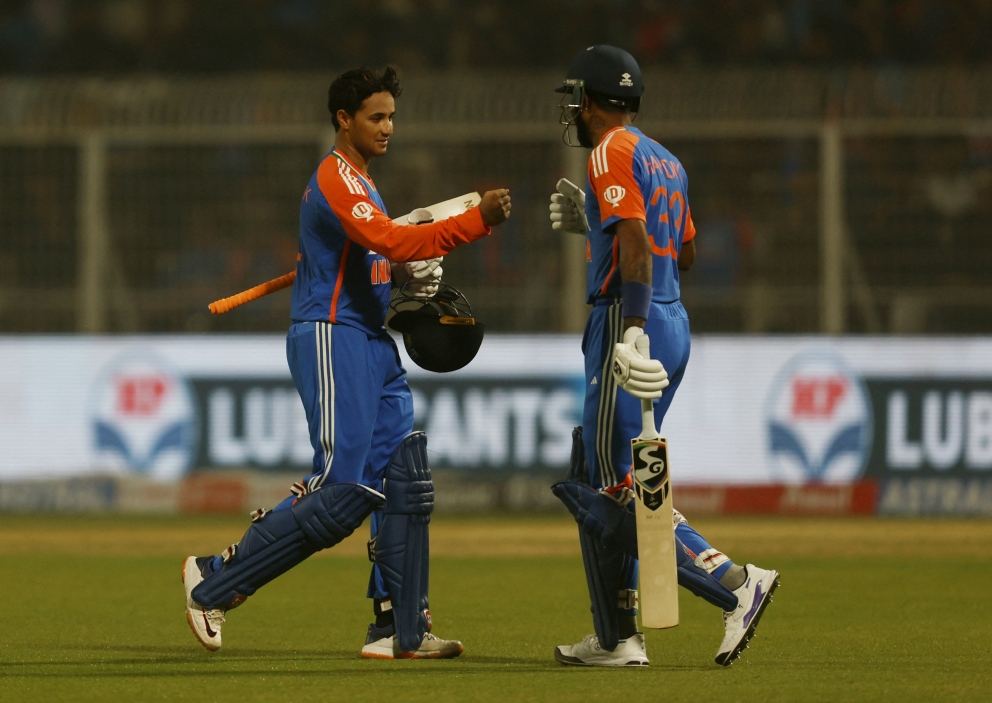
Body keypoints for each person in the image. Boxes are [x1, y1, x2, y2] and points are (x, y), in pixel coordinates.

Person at [181, 66, 512, 659]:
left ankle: (399, 626)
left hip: (370, 341)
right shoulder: (336, 178)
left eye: (391, 117)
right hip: (332, 337)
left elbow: (380, 257)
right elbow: (389, 240)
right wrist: (475, 222)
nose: (388, 127)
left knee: (402, 479)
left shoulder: (363, 185)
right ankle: (214, 583)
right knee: (340, 493)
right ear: (344, 119)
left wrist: (405, 275)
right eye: (375, 117)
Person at [548, 45, 778, 667]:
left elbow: (635, 240)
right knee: (619, 476)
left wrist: (631, 327)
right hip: (673, 320)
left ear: (590, 101)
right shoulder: (667, 160)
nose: (572, 110)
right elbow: (684, 250)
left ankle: (733, 583)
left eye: (575, 98)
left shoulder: (608, 151)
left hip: (630, 317)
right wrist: (596, 227)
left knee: (609, 488)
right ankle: (617, 637)